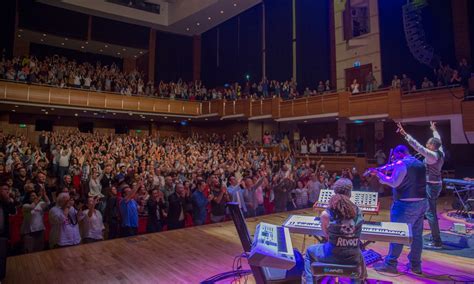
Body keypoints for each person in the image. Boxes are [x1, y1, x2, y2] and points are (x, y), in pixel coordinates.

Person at [372, 145, 427, 275]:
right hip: (422, 202)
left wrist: (379, 175)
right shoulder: (420, 163)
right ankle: (416, 266)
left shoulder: (401, 163)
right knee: (417, 236)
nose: (394, 160)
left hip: (405, 204)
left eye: (395, 157)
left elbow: (394, 182)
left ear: (399, 154)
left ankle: (390, 264)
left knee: (397, 234)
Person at [304, 178, 366, 283]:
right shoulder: (359, 212)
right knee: (358, 253)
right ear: (350, 193)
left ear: (335, 192)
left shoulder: (326, 214)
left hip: (332, 255)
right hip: (353, 257)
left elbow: (327, 236)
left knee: (309, 251)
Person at [397, 121, 444, 249]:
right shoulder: (440, 150)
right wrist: (434, 129)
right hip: (436, 184)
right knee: (428, 211)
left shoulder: (432, 156)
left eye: (429, 143)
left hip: (430, 186)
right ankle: (434, 236)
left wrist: (405, 134)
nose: (426, 145)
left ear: (433, 146)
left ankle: (437, 241)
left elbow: (418, 147)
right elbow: (438, 139)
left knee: (430, 213)